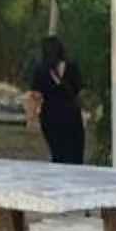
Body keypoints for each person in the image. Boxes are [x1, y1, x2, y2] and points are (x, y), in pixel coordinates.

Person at [24, 33, 86, 165]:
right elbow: (80, 93)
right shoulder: (72, 67)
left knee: (58, 153)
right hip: (71, 114)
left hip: (50, 115)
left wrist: (31, 118)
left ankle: (59, 180)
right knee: (75, 153)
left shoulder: (40, 70)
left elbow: (35, 96)